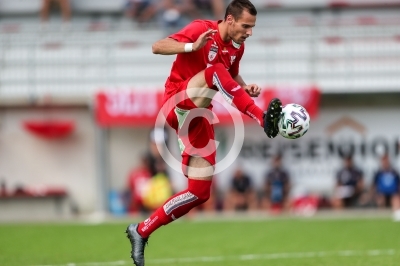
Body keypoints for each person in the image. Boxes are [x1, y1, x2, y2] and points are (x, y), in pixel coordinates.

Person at [125, 1, 282, 265]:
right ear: (229, 20)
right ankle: (261, 116)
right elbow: (157, 46)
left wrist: (245, 87)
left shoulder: (237, 48)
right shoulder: (201, 29)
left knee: (200, 191)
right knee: (212, 72)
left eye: (252, 27)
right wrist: (191, 46)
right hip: (177, 101)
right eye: (246, 26)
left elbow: (230, 76)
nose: (249, 33)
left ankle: (141, 230)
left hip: (198, 116)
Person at [371, 154, 400, 220]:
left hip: (393, 193)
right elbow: (374, 185)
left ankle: (396, 214)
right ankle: (381, 218)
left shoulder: (394, 172)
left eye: (386, 160)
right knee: (381, 199)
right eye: (384, 160)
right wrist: (373, 194)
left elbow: (398, 183)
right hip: (382, 193)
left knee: (395, 199)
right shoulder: (379, 173)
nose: (385, 162)